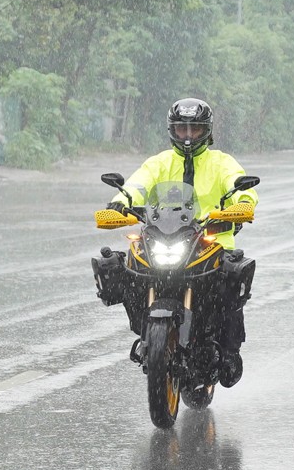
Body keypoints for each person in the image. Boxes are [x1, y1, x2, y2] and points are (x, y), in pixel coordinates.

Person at [105, 98, 258, 387]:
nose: (188, 136)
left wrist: (243, 205)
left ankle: (229, 349)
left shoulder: (221, 162)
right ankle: (144, 328)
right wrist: (118, 203)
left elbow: (238, 184)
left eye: (195, 130)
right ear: (171, 130)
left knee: (231, 273)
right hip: (166, 239)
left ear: (207, 132)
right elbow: (137, 185)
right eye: (182, 129)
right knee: (126, 265)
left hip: (210, 243)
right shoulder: (159, 163)